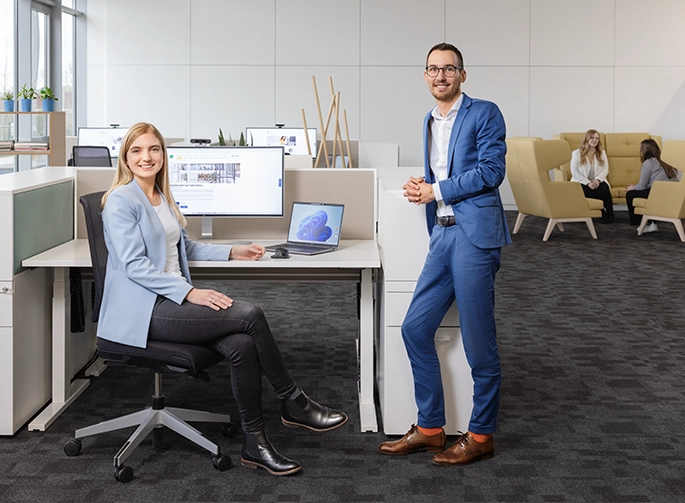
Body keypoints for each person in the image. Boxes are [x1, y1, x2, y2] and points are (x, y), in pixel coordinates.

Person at [98, 122, 347, 476]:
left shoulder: (160, 196)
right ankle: (294, 401)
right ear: (125, 157)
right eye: (137, 150)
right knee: (250, 315)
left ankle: (255, 444)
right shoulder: (121, 201)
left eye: (154, 149)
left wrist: (233, 250)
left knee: (242, 344)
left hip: (171, 303)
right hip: (145, 310)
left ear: (163, 155)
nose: (146, 157)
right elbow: (134, 266)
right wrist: (191, 292)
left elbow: (184, 246)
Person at [377, 43, 511, 466]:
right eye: (433, 69)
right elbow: (443, 172)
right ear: (425, 75)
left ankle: (481, 435)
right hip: (443, 234)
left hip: (474, 238)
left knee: (478, 344)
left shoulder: (484, 112)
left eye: (449, 69)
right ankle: (431, 428)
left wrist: (438, 189)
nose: (441, 76)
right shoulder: (430, 120)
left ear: (462, 75)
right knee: (415, 329)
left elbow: (492, 171)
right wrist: (426, 188)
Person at [625, 138, 679, 232]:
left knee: (630, 194)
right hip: (674, 194)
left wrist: (632, 188)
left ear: (644, 151)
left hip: (658, 193)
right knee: (640, 191)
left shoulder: (648, 162)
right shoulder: (666, 160)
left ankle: (645, 224)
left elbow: (642, 186)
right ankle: (651, 222)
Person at [570, 130, 614, 223]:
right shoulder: (576, 153)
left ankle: (610, 213)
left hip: (597, 180)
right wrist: (587, 182)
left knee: (603, 188)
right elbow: (574, 172)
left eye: (597, 138)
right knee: (587, 189)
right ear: (587, 139)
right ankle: (601, 211)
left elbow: (605, 170)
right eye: (592, 138)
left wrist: (597, 180)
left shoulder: (602, 153)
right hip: (581, 181)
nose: (595, 140)